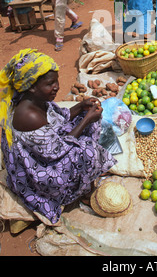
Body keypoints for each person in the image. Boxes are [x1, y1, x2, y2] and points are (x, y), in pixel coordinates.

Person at [0, 48, 116, 224]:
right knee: (86, 150)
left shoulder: (37, 100)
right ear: (31, 87)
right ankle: (83, 193)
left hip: (50, 147)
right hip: (39, 170)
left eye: (56, 81)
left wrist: (80, 107)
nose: (57, 87)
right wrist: (86, 119)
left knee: (89, 123)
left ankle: (89, 172)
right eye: (50, 84)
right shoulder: (28, 115)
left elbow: (60, 118)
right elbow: (58, 149)